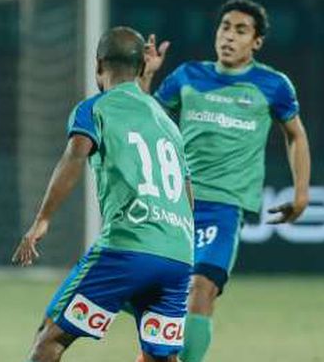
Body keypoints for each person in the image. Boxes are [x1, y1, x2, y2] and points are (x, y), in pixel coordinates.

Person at [140, 0, 312, 362]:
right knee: (143, 289)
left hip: (223, 207)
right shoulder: (187, 75)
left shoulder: (273, 85)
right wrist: (148, 75)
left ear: (257, 42)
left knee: (200, 289)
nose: (229, 37)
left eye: (240, 30)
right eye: (224, 27)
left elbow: (295, 134)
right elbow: (142, 119)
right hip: (173, 201)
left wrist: (301, 193)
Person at [13, 26, 195, 362]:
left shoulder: (95, 108)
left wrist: (43, 220)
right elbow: (187, 192)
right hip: (179, 254)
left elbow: (75, 155)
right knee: (161, 357)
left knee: (49, 338)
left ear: (98, 66)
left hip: (128, 250)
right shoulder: (169, 122)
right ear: (142, 68)